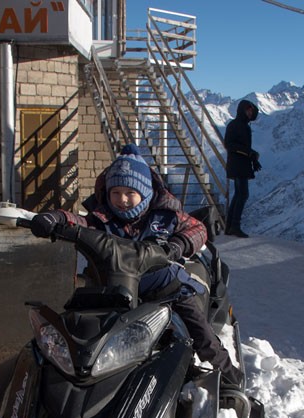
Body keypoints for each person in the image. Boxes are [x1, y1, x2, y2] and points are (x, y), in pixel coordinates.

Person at [30, 144, 244, 388]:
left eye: (130, 192)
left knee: (202, 334)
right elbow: (77, 221)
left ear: (145, 192)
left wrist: (177, 245)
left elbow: (198, 229)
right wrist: (55, 219)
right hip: (115, 293)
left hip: (167, 289)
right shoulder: (101, 220)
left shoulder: (165, 216)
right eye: (115, 192)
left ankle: (229, 379)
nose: (121, 199)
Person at [223, 99, 261, 238]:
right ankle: (235, 226)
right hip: (239, 164)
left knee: (239, 194)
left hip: (239, 163)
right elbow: (230, 144)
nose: (251, 113)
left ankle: (229, 226)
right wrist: (249, 153)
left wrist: (252, 157)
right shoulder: (238, 125)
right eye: (249, 110)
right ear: (244, 110)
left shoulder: (240, 125)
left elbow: (237, 146)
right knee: (243, 194)